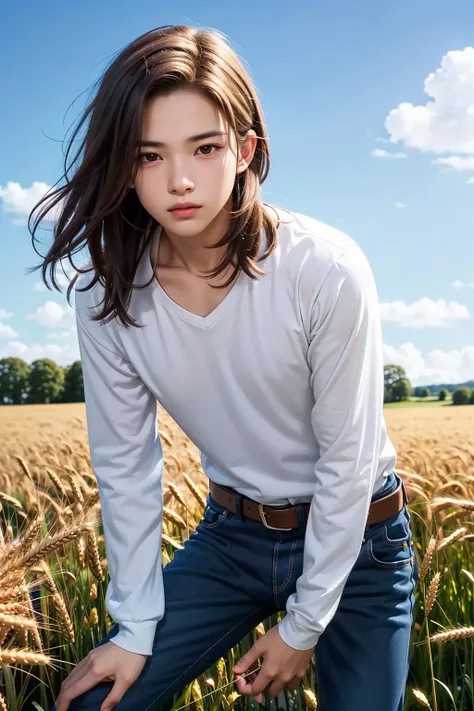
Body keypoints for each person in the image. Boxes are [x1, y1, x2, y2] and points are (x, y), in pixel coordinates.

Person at [29, 24, 419, 711]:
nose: (179, 179)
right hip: (231, 540)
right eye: (149, 155)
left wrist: (303, 625)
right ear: (122, 164)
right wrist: (134, 625)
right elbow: (125, 464)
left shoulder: (324, 268)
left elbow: (346, 461)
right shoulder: (107, 293)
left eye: (204, 148)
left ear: (245, 149)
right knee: (98, 703)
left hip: (361, 543)